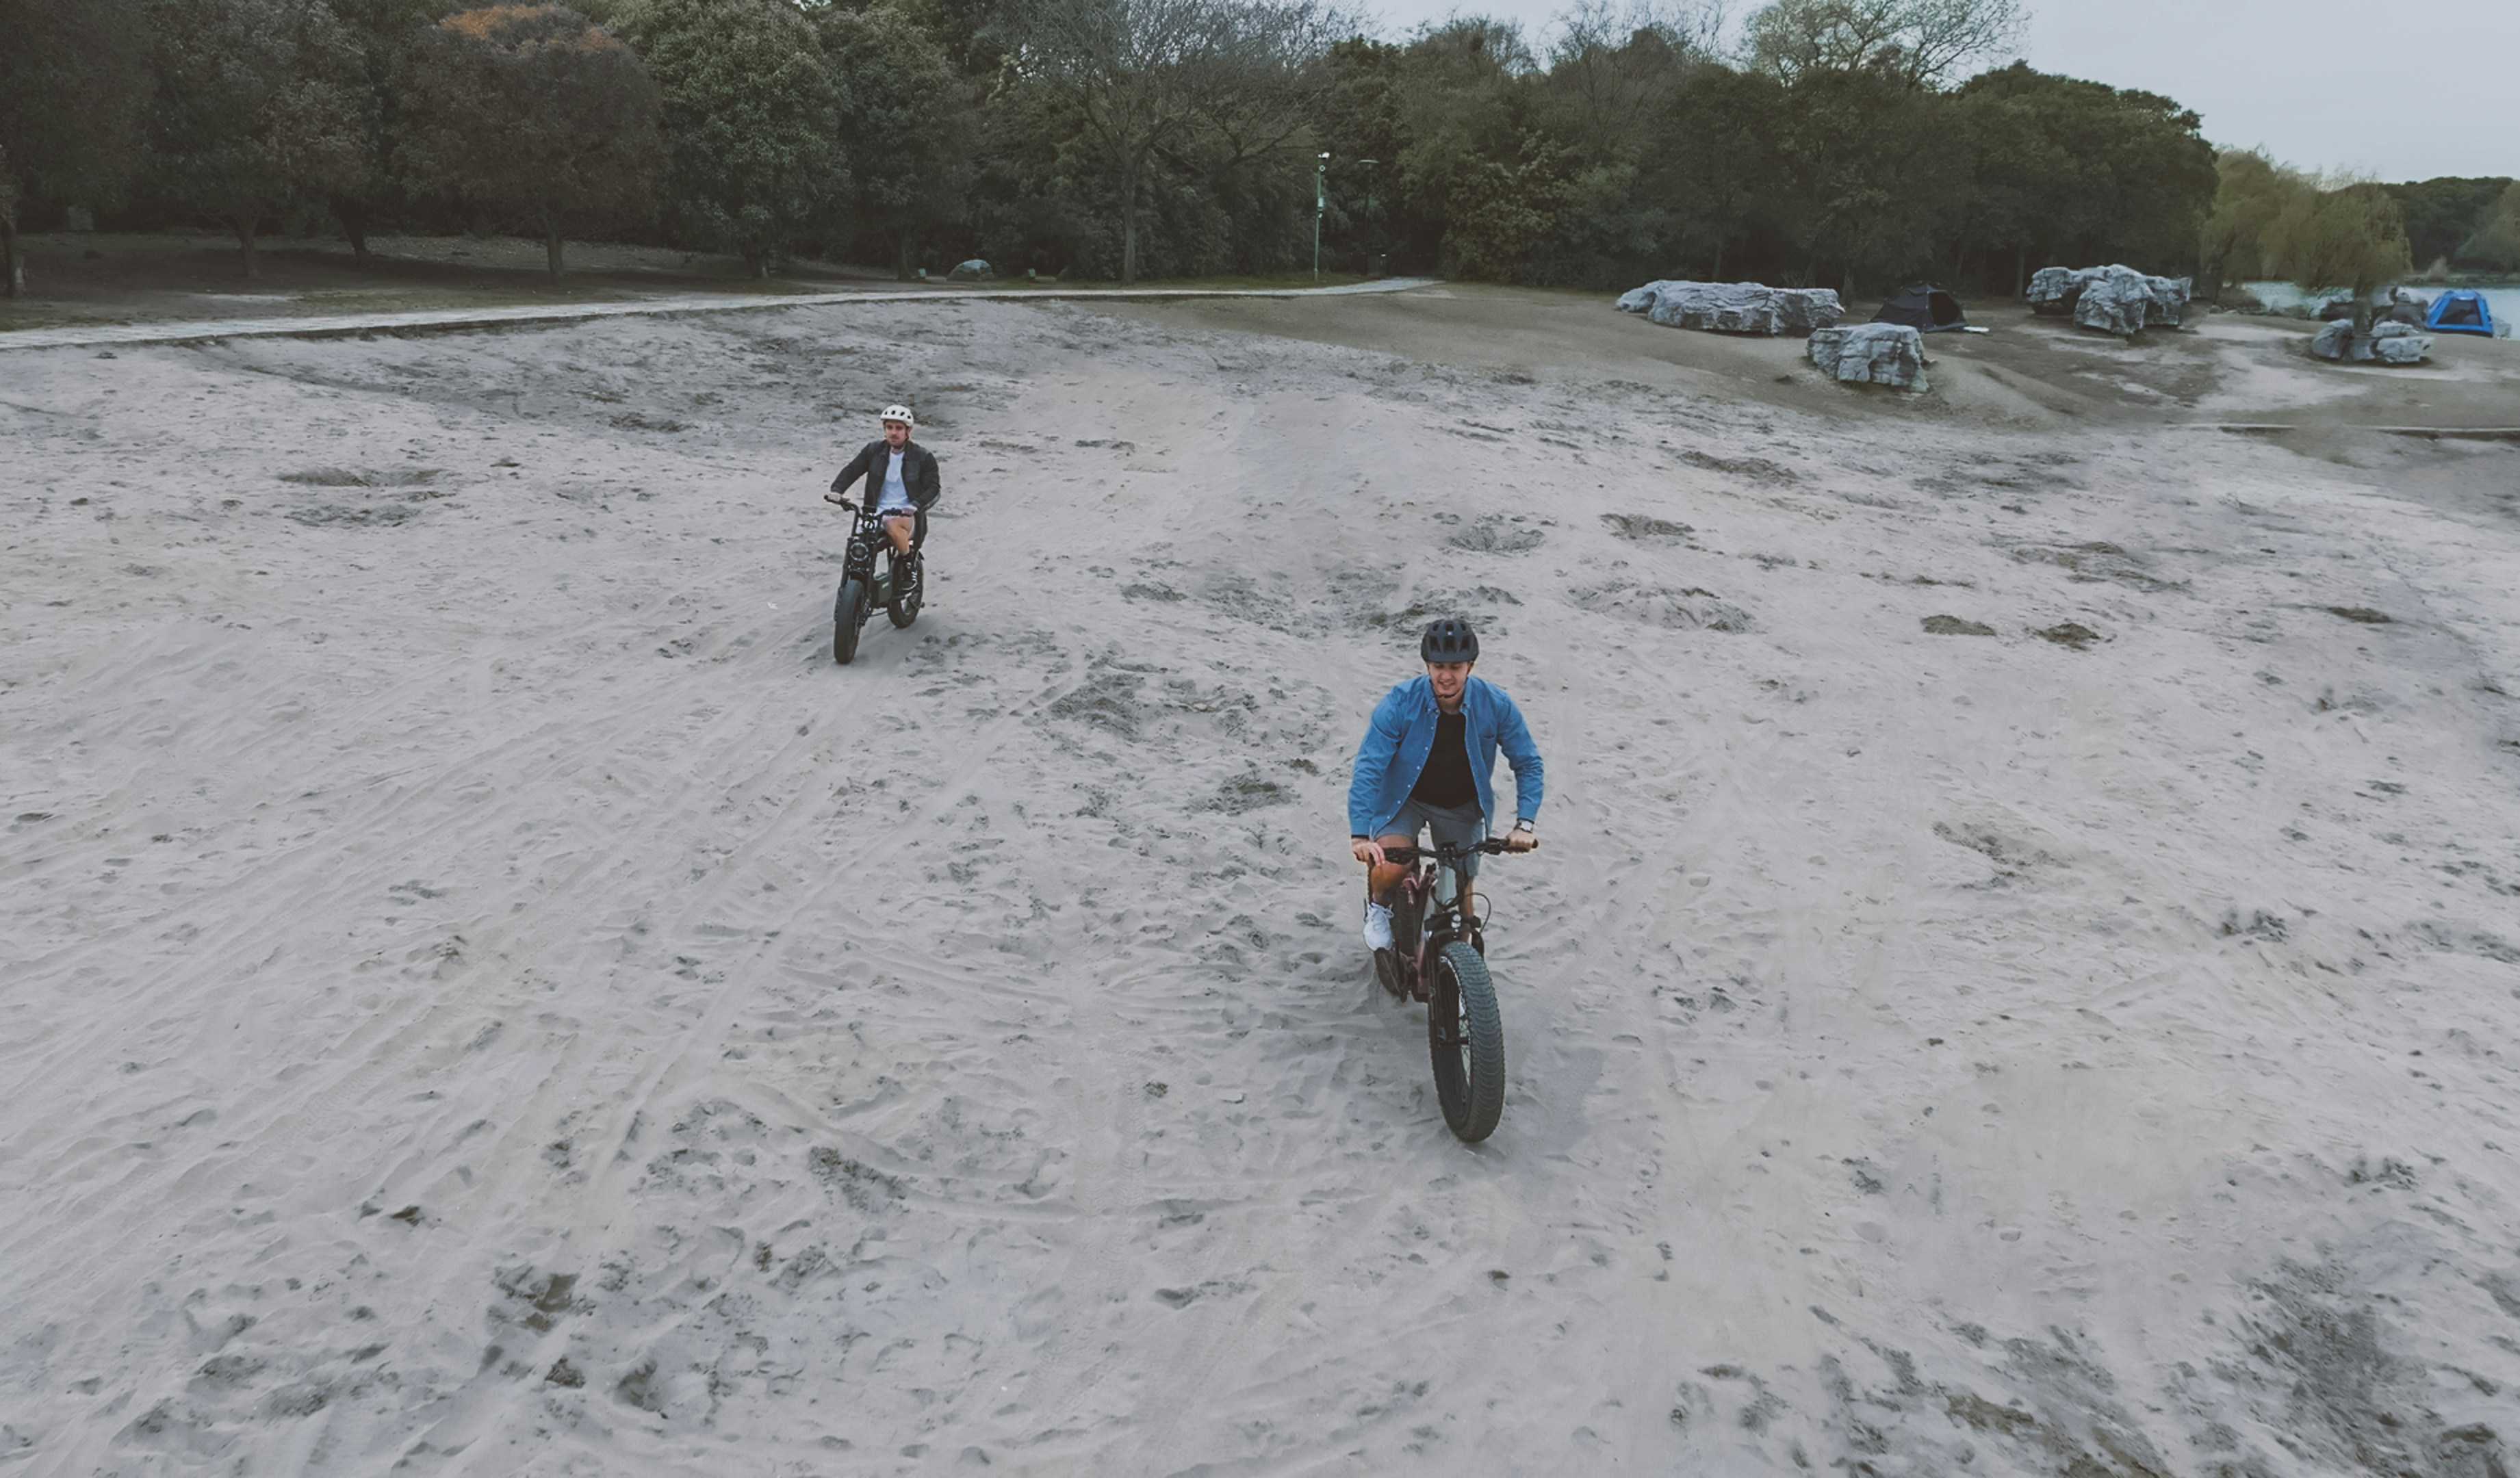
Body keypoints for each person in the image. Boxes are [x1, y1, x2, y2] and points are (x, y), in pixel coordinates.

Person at [1347, 618, 1543, 978]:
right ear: (1427, 666)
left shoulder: (1496, 704)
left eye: (1455, 667)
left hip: (1460, 806)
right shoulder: (1399, 703)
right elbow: (1369, 768)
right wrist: (1361, 835)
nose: (1446, 677)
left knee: (1464, 910)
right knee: (1392, 865)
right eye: (1439, 667)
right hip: (1404, 800)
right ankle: (1377, 907)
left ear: (1471, 666)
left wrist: (1524, 825)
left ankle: (1462, 981)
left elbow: (1528, 763)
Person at [823, 405, 941, 562]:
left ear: (908, 431)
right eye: (889, 427)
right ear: (884, 429)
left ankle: (908, 562)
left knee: (891, 524)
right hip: (874, 514)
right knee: (856, 547)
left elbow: (933, 488)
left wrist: (916, 505)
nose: (893, 433)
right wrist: (837, 490)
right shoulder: (873, 451)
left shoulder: (923, 457)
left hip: (907, 516)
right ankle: (851, 582)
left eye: (899, 428)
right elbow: (852, 470)